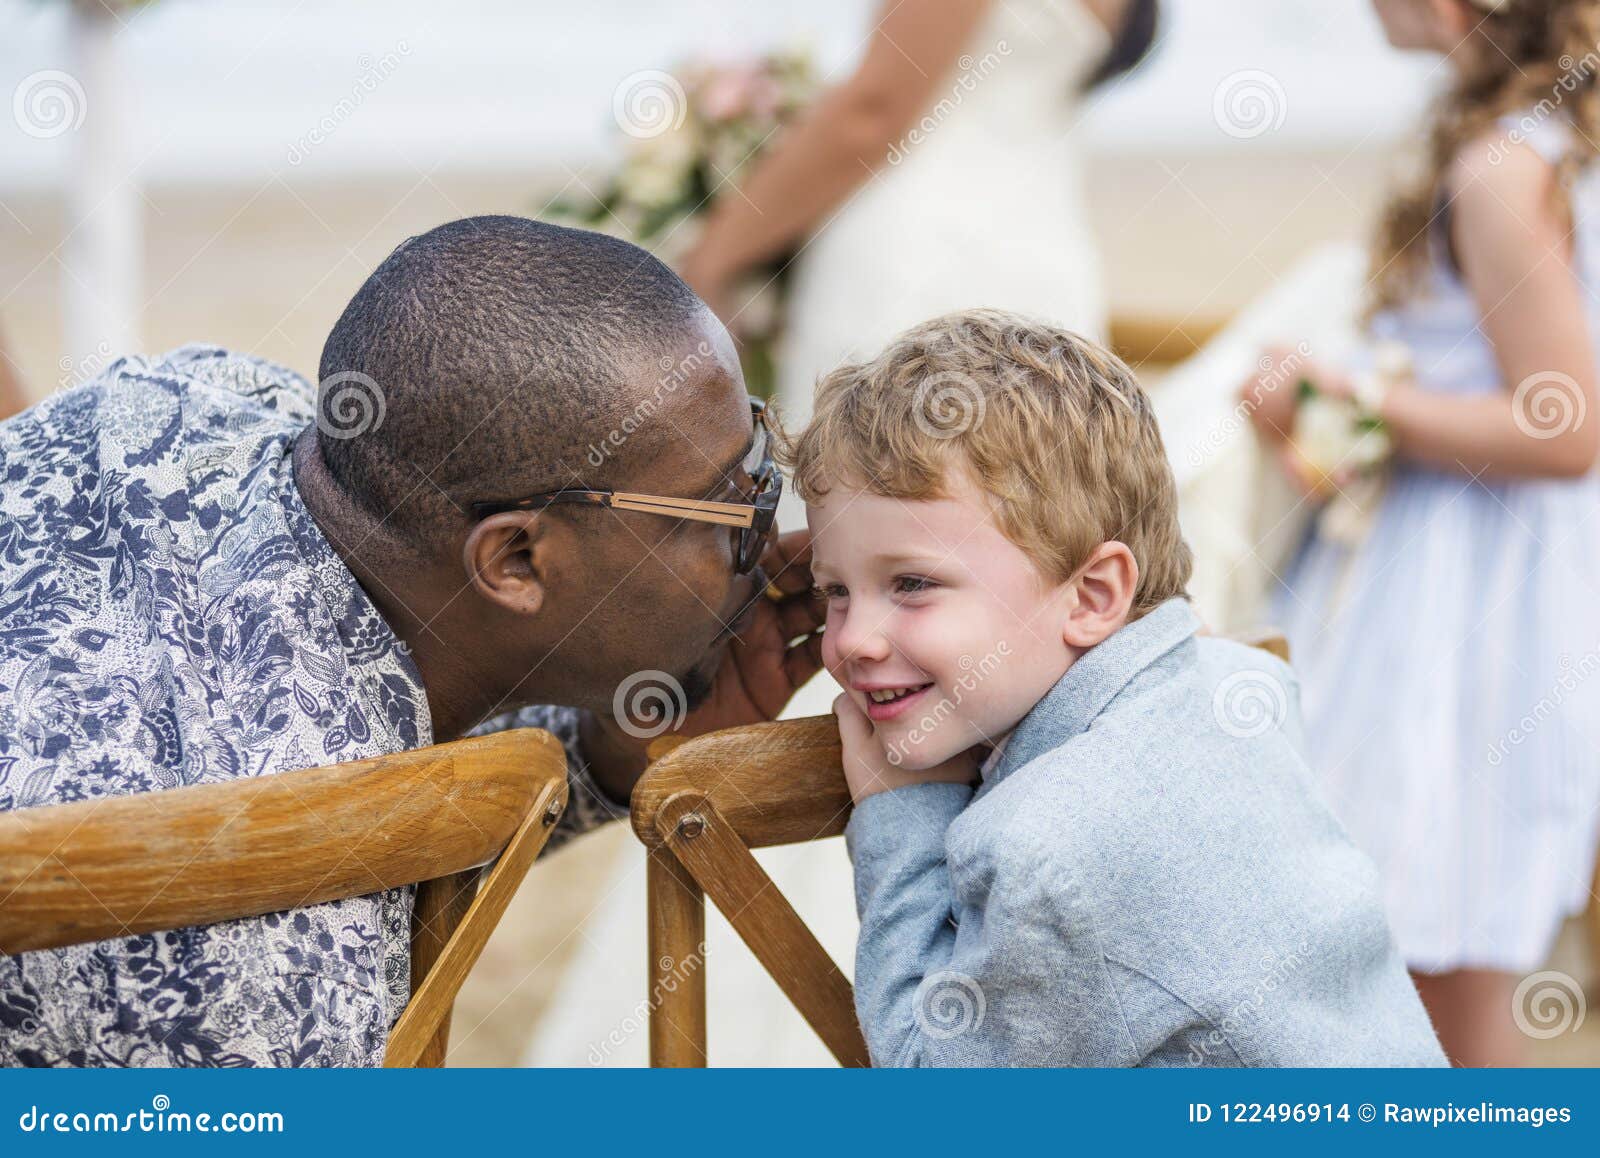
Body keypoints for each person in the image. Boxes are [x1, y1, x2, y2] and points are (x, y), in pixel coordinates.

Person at [0, 216, 824, 1067]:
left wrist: (607, 750)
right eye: (729, 504)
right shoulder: (261, 966)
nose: (770, 531)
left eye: (761, 459)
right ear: (515, 560)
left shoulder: (201, 396)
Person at [786, 309, 1445, 1066]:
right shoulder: (1241, 682)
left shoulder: (1049, 854)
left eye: (911, 584)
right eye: (834, 591)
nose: (853, 640)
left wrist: (904, 811)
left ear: (1095, 595)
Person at [1241, 0, 1600, 1066]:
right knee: (1423, 950)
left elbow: (1565, 425)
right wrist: (1337, 431)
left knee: (1417, 950)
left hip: (1459, 606)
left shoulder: (1501, 168)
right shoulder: (1550, 145)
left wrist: (1338, 395)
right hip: (1491, 572)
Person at [679, 0, 1157, 497]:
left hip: (913, 267)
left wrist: (711, 261)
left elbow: (872, 111)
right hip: (1045, 262)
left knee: (864, 503)